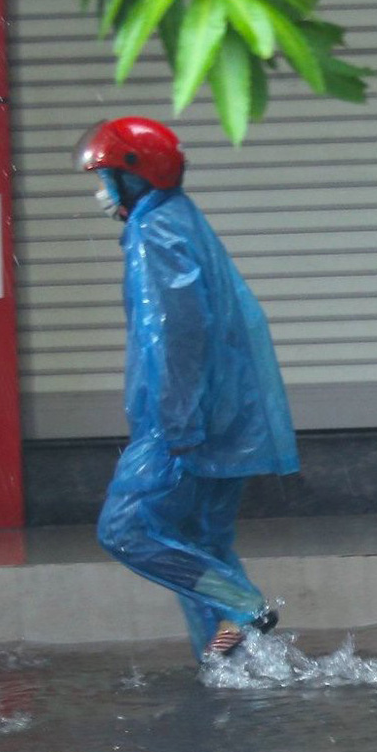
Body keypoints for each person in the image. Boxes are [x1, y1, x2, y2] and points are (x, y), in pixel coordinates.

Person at [77, 116, 299, 663]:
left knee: (127, 530)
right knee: (204, 544)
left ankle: (242, 605)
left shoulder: (155, 234)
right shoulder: (180, 221)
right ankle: (236, 666)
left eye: (107, 179)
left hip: (185, 426)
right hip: (226, 421)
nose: (101, 192)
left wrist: (177, 425)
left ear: (135, 177)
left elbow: (179, 332)